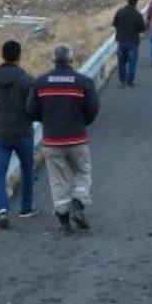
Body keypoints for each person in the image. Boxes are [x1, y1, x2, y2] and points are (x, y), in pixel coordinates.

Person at [26, 44, 99, 235]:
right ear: (71, 60)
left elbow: (31, 111)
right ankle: (79, 201)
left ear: (53, 60)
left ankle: (64, 220)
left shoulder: (40, 83)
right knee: (82, 172)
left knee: (58, 180)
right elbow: (93, 109)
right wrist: (82, 122)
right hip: (77, 138)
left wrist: (47, 119)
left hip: (52, 140)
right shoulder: (83, 82)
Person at [0, 40, 35, 227]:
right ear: (19, 56)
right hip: (22, 132)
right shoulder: (26, 79)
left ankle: (2, 209)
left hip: (0, 133)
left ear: (2, 55)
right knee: (27, 168)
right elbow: (33, 105)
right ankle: (26, 207)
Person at [112, 0, 146, 88]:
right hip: (133, 42)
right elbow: (142, 29)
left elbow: (114, 24)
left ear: (128, 1)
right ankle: (130, 81)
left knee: (121, 63)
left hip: (121, 41)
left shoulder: (120, 12)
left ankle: (122, 81)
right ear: (136, 3)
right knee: (132, 63)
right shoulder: (138, 15)